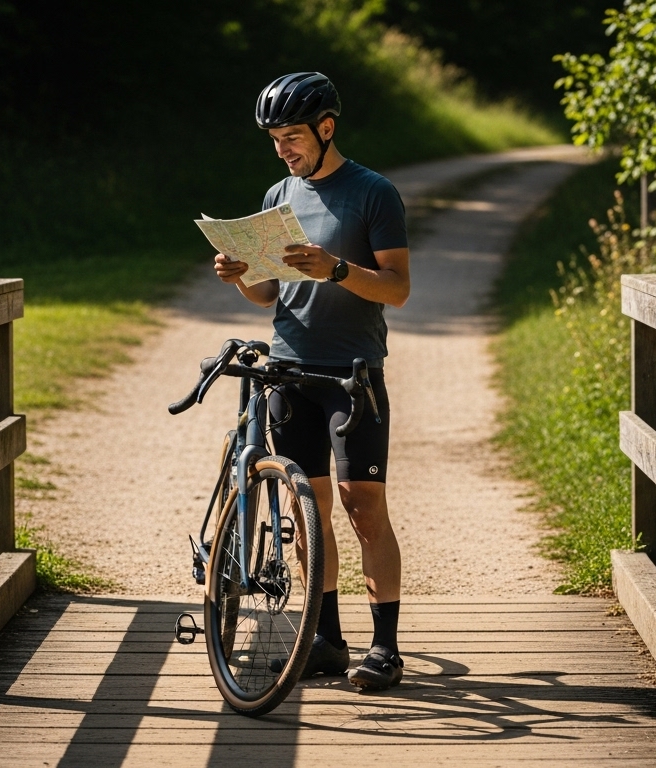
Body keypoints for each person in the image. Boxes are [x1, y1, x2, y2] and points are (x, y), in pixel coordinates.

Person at [213, 72, 410, 692]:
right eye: (274, 138)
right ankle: (324, 640)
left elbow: (397, 290)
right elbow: (270, 293)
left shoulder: (374, 193)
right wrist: (240, 277)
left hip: (352, 374)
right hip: (289, 370)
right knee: (306, 508)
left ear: (327, 128)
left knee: (363, 505)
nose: (282, 149)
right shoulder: (279, 193)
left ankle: (385, 649)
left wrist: (337, 268)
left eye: (292, 136)